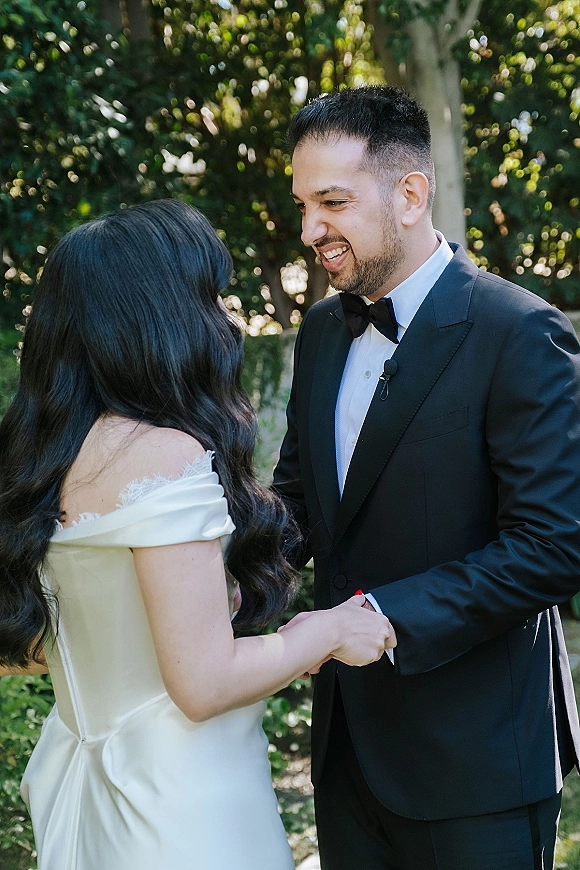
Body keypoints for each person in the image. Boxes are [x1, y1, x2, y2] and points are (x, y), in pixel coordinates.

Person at [0, 199, 395, 870]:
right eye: (209, 296)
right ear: (162, 317)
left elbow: (37, 648)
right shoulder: (162, 454)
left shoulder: (39, 456)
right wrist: (326, 631)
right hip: (181, 807)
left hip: (89, 793)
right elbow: (203, 682)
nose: (223, 317)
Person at [273, 85, 580, 870]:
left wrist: (377, 618)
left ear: (411, 194)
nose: (311, 230)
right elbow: (302, 503)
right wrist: (217, 574)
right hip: (345, 757)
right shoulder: (319, 334)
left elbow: (554, 546)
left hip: (478, 763)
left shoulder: (520, 332)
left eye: (332, 202)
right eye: (304, 205)